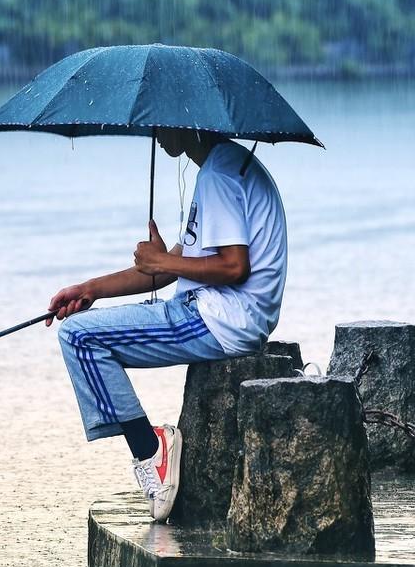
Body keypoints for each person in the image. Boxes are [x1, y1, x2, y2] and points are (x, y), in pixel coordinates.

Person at [46, 128, 287, 522]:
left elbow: (233, 266)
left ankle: (151, 450)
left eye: (164, 122)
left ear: (190, 123)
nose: (155, 132)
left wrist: (164, 263)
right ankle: (151, 450)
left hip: (218, 318)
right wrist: (89, 289)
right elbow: (172, 267)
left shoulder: (219, 175)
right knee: (82, 331)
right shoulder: (223, 166)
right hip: (221, 313)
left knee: (79, 337)